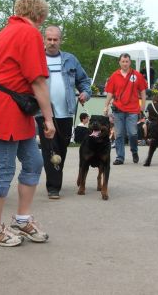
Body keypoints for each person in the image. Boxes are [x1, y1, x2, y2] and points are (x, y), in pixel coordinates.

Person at [0, 0, 55, 247]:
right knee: (3, 171)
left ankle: (21, 220)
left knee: (33, 163)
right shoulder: (30, 34)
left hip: (12, 107)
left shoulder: (2, 34)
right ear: (40, 17)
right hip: (7, 109)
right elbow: (38, 81)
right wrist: (49, 118)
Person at [35, 25, 91, 199]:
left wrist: (85, 93)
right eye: (49, 39)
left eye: (55, 39)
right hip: (43, 113)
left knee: (62, 149)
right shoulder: (36, 59)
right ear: (44, 39)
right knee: (49, 149)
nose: (52, 42)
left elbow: (84, 80)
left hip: (66, 113)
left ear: (60, 40)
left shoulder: (70, 59)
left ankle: (56, 176)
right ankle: (53, 187)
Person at [103, 53, 147, 165]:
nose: (125, 63)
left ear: (130, 62)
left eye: (127, 61)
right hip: (118, 109)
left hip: (133, 109)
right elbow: (110, 92)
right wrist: (106, 106)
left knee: (132, 133)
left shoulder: (137, 75)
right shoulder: (114, 75)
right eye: (123, 61)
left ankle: (134, 151)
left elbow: (142, 90)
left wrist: (143, 104)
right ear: (119, 62)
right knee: (119, 134)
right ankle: (120, 157)